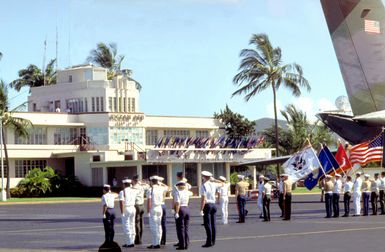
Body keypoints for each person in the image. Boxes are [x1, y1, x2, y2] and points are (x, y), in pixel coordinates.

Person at [200, 171, 223, 248]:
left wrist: (201, 209)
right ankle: (213, 241)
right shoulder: (213, 184)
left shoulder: (203, 185)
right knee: (213, 224)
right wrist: (215, 180)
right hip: (213, 204)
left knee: (207, 224)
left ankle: (209, 242)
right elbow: (222, 183)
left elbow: (203, 199)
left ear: (204, 177)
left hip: (207, 205)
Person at [147, 176, 169, 249]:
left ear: (151, 181)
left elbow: (149, 202)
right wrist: (161, 183)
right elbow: (168, 187)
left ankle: (155, 243)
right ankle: (157, 242)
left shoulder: (150, 189)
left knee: (153, 227)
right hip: (160, 208)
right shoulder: (161, 188)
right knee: (159, 226)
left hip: (153, 208)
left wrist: (148, 211)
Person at [172, 172, 192, 248]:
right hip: (187, 208)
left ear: (178, 186)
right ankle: (186, 244)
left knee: (180, 228)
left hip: (181, 209)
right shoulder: (187, 192)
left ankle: (182, 245)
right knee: (186, 228)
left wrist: (176, 212)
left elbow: (177, 203)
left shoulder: (178, 193)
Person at [119, 179, 138, 248]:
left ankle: (129, 242)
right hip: (133, 208)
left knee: (126, 225)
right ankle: (132, 241)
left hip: (126, 208)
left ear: (124, 184)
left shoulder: (122, 192)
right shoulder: (134, 190)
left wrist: (122, 212)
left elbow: (122, 203)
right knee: (132, 224)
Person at [132, 175, 149, 245]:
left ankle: (137, 239)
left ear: (134, 180)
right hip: (142, 205)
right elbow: (148, 185)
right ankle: (140, 238)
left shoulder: (134, 188)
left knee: (136, 223)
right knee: (141, 223)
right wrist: (142, 182)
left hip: (137, 206)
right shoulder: (142, 186)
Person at [158, 176, 168, 246]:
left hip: (159, 206)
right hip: (163, 205)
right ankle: (164, 240)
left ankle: (159, 239)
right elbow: (168, 187)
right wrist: (162, 183)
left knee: (158, 224)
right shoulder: (164, 188)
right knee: (163, 224)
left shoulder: (157, 188)